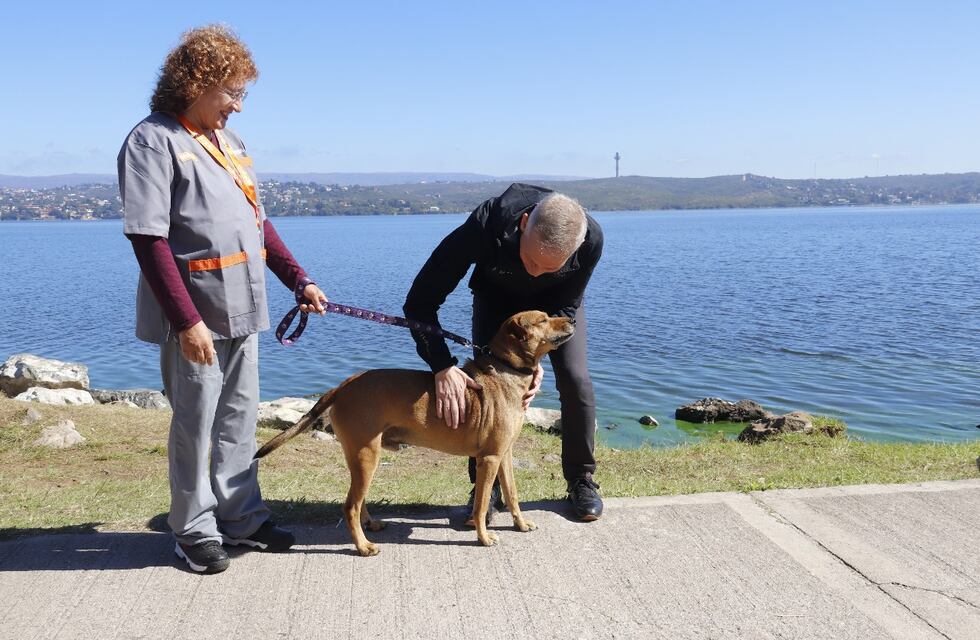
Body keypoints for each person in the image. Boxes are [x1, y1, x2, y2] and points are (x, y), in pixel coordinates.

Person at [118, 25, 327, 574]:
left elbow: (258, 224)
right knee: (195, 423)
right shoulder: (153, 140)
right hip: (194, 315)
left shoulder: (227, 144)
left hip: (244, 306)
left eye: (242, 94)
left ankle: (242, 520)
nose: (237, 106)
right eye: (232, 92)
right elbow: (149, 238)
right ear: (197, 82)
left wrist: (298, 280)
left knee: (238, 418)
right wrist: (185, 321)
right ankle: (192, 531)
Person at [403, 183, 604, 522]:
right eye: (530, 260)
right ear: (524, 223)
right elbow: (420, 302)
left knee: (575, 379)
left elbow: (568, 306)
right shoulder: (484, 225)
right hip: (496, 299)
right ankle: (486, 487)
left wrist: (537, 356)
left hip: (553, 311)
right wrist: (442, 366)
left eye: (549, 268)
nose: (535, 273)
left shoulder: (591, 240)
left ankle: (581, 478)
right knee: (483, 386)